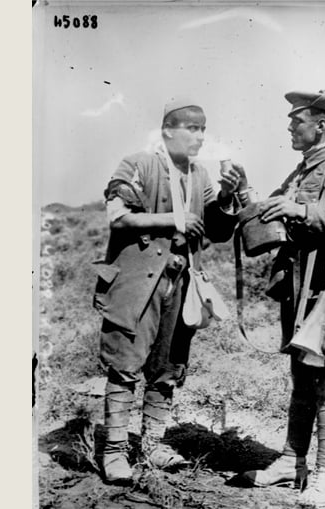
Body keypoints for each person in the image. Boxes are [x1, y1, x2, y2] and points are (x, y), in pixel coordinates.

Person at [92, 99, 248, 484]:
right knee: (126, 362)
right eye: (191, 128)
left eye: (202, 129)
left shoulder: (200, 176)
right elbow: (118, 216)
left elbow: (216, 229)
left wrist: (227, 198)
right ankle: (113, 451)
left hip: (181, 282)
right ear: (167, 130)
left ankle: (153, 444)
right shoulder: (138, 164)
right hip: (137, 283)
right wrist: (174, 219)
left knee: (168, 365)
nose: (199, 136)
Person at [241, 90, 325, 508]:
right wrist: (243, 193)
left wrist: (300, 211)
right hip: (297, 286)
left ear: (321, 126)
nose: (290, 127)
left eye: (297, 121)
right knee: (300, 375)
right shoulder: (302, 171)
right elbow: (270, 209)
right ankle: (292, 461)